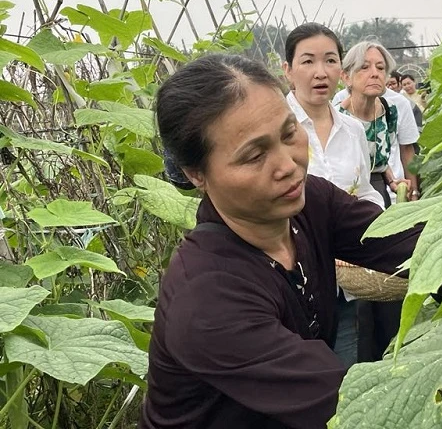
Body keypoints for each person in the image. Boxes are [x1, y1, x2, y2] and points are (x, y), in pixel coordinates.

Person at [140, 54, 420, 429]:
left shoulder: (310, 201)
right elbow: (351, 410)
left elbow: (411, 242)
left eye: (289, 133)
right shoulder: (207, 297)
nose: (288, 165)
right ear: (196, 174)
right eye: (254, 155)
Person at [282, 22, 384, 369]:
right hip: (293, 274)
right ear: (288, 70)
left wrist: (369, 233)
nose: (320, 72)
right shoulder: (274, 130)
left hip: (351, 275)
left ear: (341, 69)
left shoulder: (354, 129)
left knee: (344, 369)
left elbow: (368, 190)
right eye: (307, 62)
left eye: (330, 61)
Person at [336, 42, 419, 205]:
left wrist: (404, 187)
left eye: (380, 68)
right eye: (364, 67)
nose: (375, 74)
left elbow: (384, 158)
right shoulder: (337, 116)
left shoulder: (391, 110)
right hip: (347, 199)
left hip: (385, 195)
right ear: (346, 77)